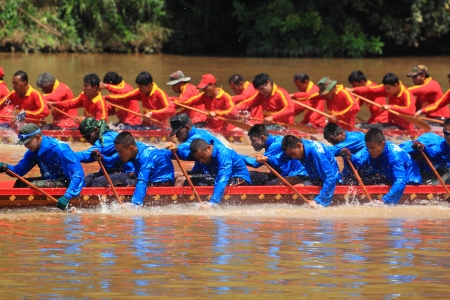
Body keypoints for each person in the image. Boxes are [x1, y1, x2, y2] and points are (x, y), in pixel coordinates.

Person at [0, 124, 84, 211]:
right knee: (20, 183)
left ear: (37, 137)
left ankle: (17, 208)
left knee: (31, 186)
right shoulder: (33, 152)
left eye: (27, 142)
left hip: (68, 184)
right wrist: (6, 167)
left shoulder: (60, 148)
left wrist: (67, 196)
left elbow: (78, 174)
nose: (25, 146)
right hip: (52, 181)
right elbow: (19, 171)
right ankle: (14, 207)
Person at [344, 128, 422, 205]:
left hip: (409, 181)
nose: (370, 151)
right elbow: (359, 161)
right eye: (368, 147)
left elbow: (401, 181)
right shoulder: (370, 147)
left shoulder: (395, 156)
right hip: (389, 176)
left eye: (372, 148)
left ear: (383, 144)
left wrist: (384, 201)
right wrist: (350, 156)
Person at [101, 132, 174, 206]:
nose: (119, 154)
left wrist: (135, 205)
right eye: (118, 151)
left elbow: (142, 182)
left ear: (131, 148)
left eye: (120, 152)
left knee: (128, 183)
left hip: (162, 182)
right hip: (149, 177)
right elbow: (111, 160)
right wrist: (101, 157)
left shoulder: (145, 157)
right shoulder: (133, 147)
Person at [164, 114, 225, 186]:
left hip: (218, 174)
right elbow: (187, 155)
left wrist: (153, 153)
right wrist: (176, 151)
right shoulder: (198, 132)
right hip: (204, 171)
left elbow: (172, 152)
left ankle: (173, 197)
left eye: (178, 132)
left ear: (187, 127)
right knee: (173, 175)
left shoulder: (198, 137)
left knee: (181, 180)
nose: (176, 136)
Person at [281, 135, 341, 208]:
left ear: (299, 145)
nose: (292, 157)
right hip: (316, 178)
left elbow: (331, 179)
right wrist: (268, 159)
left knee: (298, 187)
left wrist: (318, 201)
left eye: (293, 154)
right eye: (290, 155)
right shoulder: (301, 145)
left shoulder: (316, 154)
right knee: (284, 181)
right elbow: (281, 158)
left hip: (331, 180)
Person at [189, 138, 251, 206]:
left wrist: (213, 203)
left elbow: (223, 177)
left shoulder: (223, 153)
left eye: (202, 157)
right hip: (220, 178)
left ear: (209, 148)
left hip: (239, 180)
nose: (201, 161)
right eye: (198, 159)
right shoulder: (201, 156)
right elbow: (195, 173)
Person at [241, 124, 309, 185]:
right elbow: (277, 161)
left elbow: (255, 164)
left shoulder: (276, 145)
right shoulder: (274, 141)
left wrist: (236, 156)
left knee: (265, 186)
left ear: (262, 138)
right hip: (282, 175)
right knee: (247, 175)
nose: (252, 144)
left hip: (294, 176)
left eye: (253, 140)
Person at [75, 118, 134, 187]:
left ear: (96, 130)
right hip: (117, 170)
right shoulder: (105, 137)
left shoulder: (106, 139)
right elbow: (111, 161)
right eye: (84, 138)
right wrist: (102, 157)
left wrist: (65, 155)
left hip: (129, 172)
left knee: (97, 182)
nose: (87, 141)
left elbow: (87, 156)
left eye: (88, 137)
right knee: (87, 179)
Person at [105, 71, 175, 127]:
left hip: (158, 127)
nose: (139, 89)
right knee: (113, 127)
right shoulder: (141, 92)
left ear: (149, 85)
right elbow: (124, 97)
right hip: (145, 126)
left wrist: (152, 113)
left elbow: (172, 110)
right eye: (138, 87)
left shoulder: (160, 94)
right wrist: (106, 98)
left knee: (122, 129)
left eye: (141, 87)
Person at [348, 73, 416, 130]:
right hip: (391, 124)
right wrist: (353, 90)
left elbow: (411, 111)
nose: (386, 91)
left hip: (403, 127)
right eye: (385, 88)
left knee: (364, 128)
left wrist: (391, 107)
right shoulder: (390, 89)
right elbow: (371, 90)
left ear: (396, 85)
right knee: (361, 126)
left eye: (388, 88)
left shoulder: (406, 94)